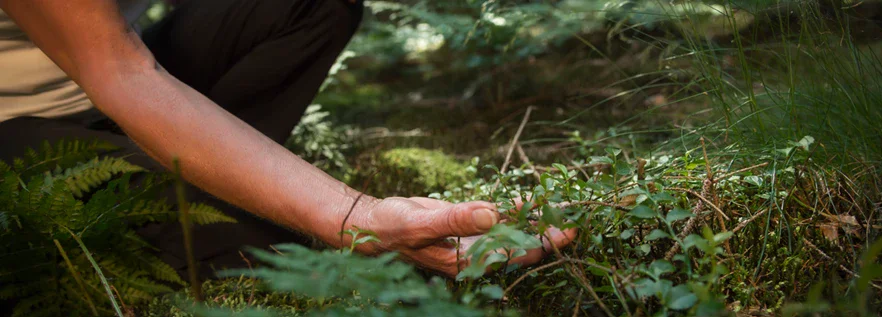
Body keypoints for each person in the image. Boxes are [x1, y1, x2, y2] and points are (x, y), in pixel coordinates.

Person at [0, 0, 575, 279]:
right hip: (25, 120)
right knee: (285, 237)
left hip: (128, 66)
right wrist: (354, 215)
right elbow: (119, 73)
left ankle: (207, 180)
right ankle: (209, 208)